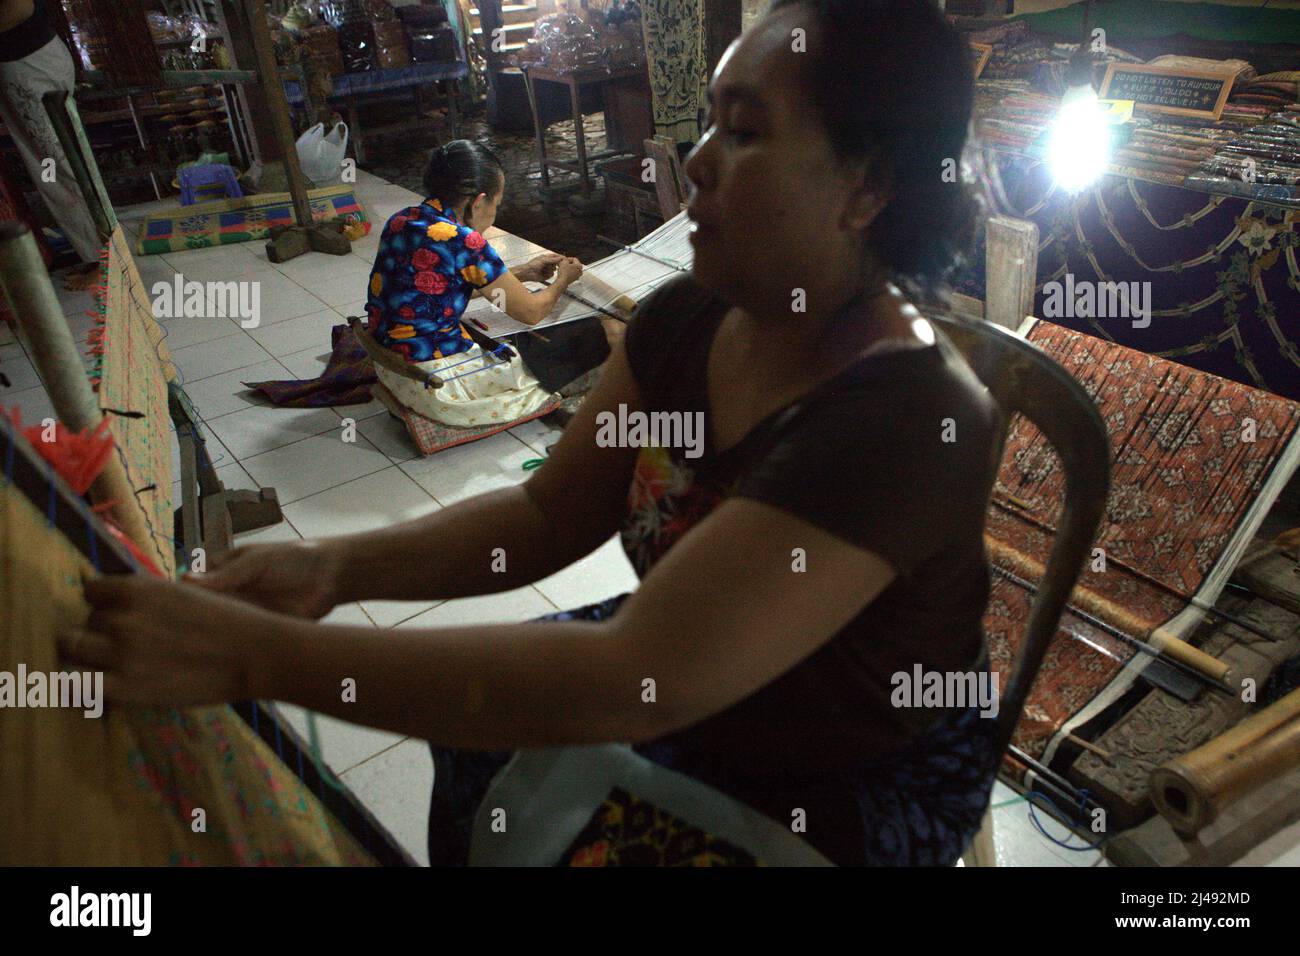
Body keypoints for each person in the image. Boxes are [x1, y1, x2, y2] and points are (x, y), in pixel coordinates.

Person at [63, 0, 1003, 866]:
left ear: (867, 186)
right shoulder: (686, 321)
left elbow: (637, 678)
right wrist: (332, 570)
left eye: (747, 130)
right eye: (712, 119)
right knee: (481, 754)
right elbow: (547, 516)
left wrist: (247, 655)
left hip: (845, 763)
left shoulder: (911, 418)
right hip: (674, 666)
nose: (700, 156)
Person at [363, 139, 589, 428]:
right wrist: (563, 282)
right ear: (479, 201)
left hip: (390, 365)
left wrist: (526, 272)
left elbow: (437, 287)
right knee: (564, 357)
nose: (495, 212)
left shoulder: (404, 219)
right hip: (435, 382)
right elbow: (532, 312)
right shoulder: (465, 241)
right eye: (497, 203)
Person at [0, 0, 101, 290]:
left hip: (31, 69)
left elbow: (19, 9)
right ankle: (98, 255)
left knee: (59, 168)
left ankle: (106, 261)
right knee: (51, 170)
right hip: (25, 67)